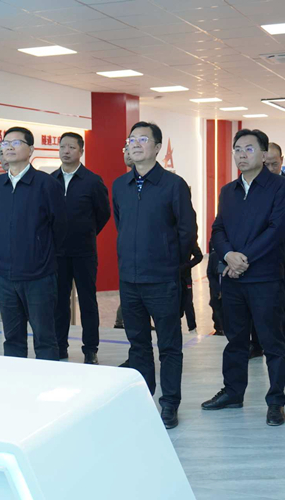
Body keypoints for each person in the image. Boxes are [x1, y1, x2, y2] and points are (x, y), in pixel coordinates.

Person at [201, 129, 285, 428]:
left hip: (265, 278)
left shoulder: (280, 188)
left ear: (264, 154)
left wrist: (243, 259)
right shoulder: (228, 191)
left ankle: (275, 401)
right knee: (235, 340)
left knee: (272, 343)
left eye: (249, 149)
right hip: (233, 279)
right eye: (237, 149)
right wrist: (228, 255)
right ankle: (233, 392)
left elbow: (276, 230)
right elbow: (218, 229)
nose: (242, 154)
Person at [113, 121, 198, 429]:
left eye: (143, 139)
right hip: (130, 280)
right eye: (131, 139)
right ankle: (144, 398)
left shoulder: (173, 185)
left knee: (169, 345)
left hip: (163, 279)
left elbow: (187, 231)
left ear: (158, 147)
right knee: (137, 344)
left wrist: (170, 264)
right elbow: (121, 225)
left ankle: (170, 403)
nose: (135, 144)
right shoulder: (120, 185)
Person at [0, 127, 66, 361]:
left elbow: (60, 227)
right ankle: (18, 382)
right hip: (5, 275)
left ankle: (48, 381)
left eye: (16, 143)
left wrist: (41, 254)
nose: (9, 147)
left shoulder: (46, 184)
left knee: (45, 338)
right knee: (12, 339)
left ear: (31, 150)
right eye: (5, 143)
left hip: (39, 275)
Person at [52, 132, 111, 364]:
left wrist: (87, 232)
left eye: (71, 147)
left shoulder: (92, 181)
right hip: (57, 252)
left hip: (84, 252)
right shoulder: (51, 180)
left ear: (81, 151)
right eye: (62, 147)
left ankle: (90, 349)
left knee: (87, 301)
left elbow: (103, 213)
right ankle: (60, 346)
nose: (66, 151)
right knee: (59, 302)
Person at [114, 143, 134, 331]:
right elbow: (119, 221)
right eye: (125, 149)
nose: (127, 153)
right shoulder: (120, 185)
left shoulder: (171, 184)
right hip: (128, 262)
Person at [180, 243, 203, 335]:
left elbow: (199, 256)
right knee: (172, 303)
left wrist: (187, 265)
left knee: (188, 302)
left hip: (185, 277)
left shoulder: (189, 239)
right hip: (170, 277)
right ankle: (176, 327)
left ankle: (192, 327)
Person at [206, 241, 224, 336]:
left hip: (227, 289)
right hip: (215, 289)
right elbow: (209, 273)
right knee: (216, 307)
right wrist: (217, 289)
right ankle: (219, 328)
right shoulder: (213, 256)